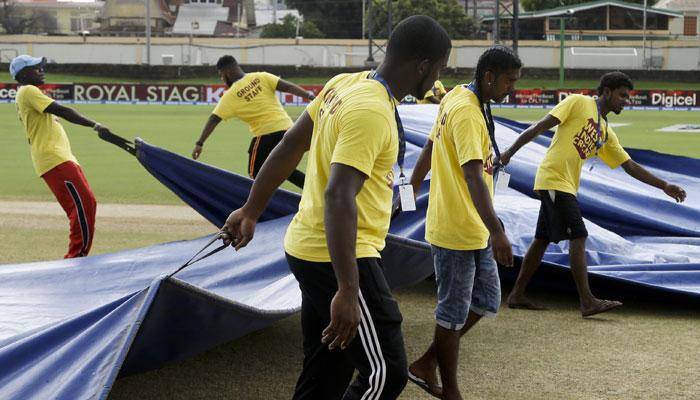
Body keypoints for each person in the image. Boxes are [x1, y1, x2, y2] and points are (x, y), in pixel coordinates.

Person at [220, 15, 452, 400]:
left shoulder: (344, 84)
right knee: (385, 372)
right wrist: (347, 288)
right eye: (440, 67)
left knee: (328, 368)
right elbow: (339, 195)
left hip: (306, 247)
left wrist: (250, 210)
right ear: (423, 66)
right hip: (342, 256)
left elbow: (289, 145)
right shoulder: (372, 111)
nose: (439, 77)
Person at [500, 71, 687, 317]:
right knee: (579, 234)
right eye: (621, 95)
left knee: (542, 238)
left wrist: (664, 185)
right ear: (607, 91)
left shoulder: (604, 131)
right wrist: (509, 153)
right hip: (554, 179)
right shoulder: (578, 102)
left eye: (627, 97)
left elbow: (629, 166)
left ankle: (517, 294)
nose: (625, 101)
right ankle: (587, 301)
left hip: (565, 185)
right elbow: (539, 127)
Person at [406, 46, 520, 400]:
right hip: (456, 228)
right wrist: (498, 232)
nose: (510, 89)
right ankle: (451, 389)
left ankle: (426, 362)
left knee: (487, 298)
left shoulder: (459, 95)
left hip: (474, 227)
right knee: (452, 311)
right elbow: (472, 177)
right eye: (508, 81)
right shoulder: (467, 111)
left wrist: (410, 187)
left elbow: (430, 146)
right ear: (489, 76)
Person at [11, 55, 115, 258]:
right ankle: (75, 259)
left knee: (84, 206)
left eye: (41, 67)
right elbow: (64, 110)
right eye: (35, 67)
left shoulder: (29, 94)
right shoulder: (28, 91)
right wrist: (95, 124)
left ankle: (77, 257)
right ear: (23, 74)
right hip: (55, 159)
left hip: (59, 159)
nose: (41, 70)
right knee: (83, 206)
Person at [191, 55, 313, 188]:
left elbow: (213, 119)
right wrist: (310, 96)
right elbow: (288, 87)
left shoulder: (230, 95)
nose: (222, 79)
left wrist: (199, 143)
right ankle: (317, 191)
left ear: (226, 72)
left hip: (266, 135)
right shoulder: (262, 77)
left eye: (221, 75)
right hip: (289, 131)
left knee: (255, 173)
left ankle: (264, 203)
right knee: (284, 169)